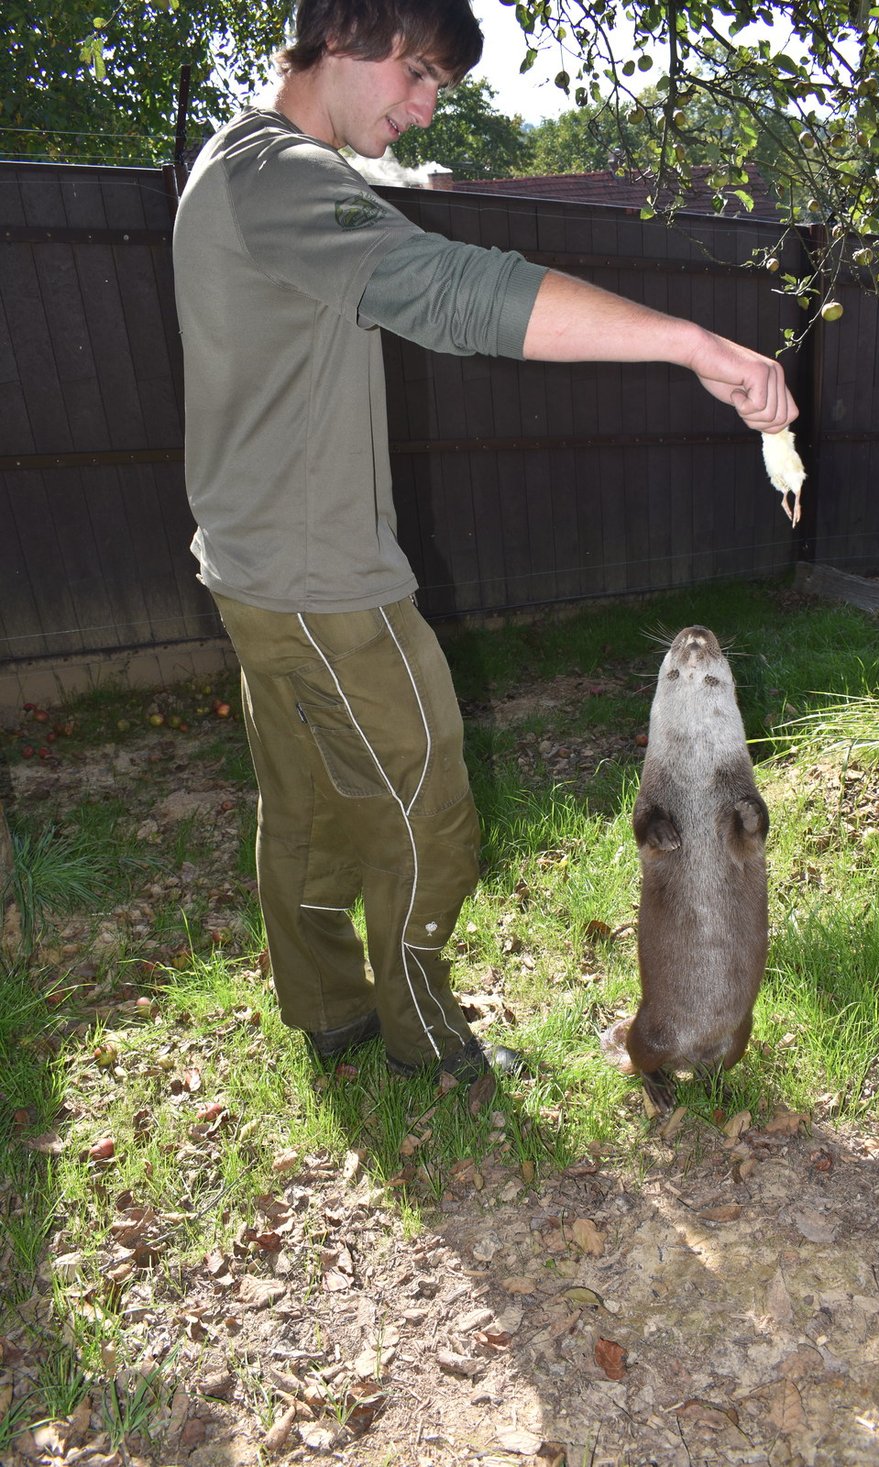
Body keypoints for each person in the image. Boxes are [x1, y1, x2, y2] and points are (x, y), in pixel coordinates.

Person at [172, 0, 797, 1087]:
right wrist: (688, 343)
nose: (422, 106)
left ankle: (328, 1013)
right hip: (325, 589)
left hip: (254, 568)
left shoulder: (232, 169)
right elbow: (455, 292)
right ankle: (427, 1042)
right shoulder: (275, 176)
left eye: (438, 88)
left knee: (313, 810)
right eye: (414, 72)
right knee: (430, 821)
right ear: (338, 35)